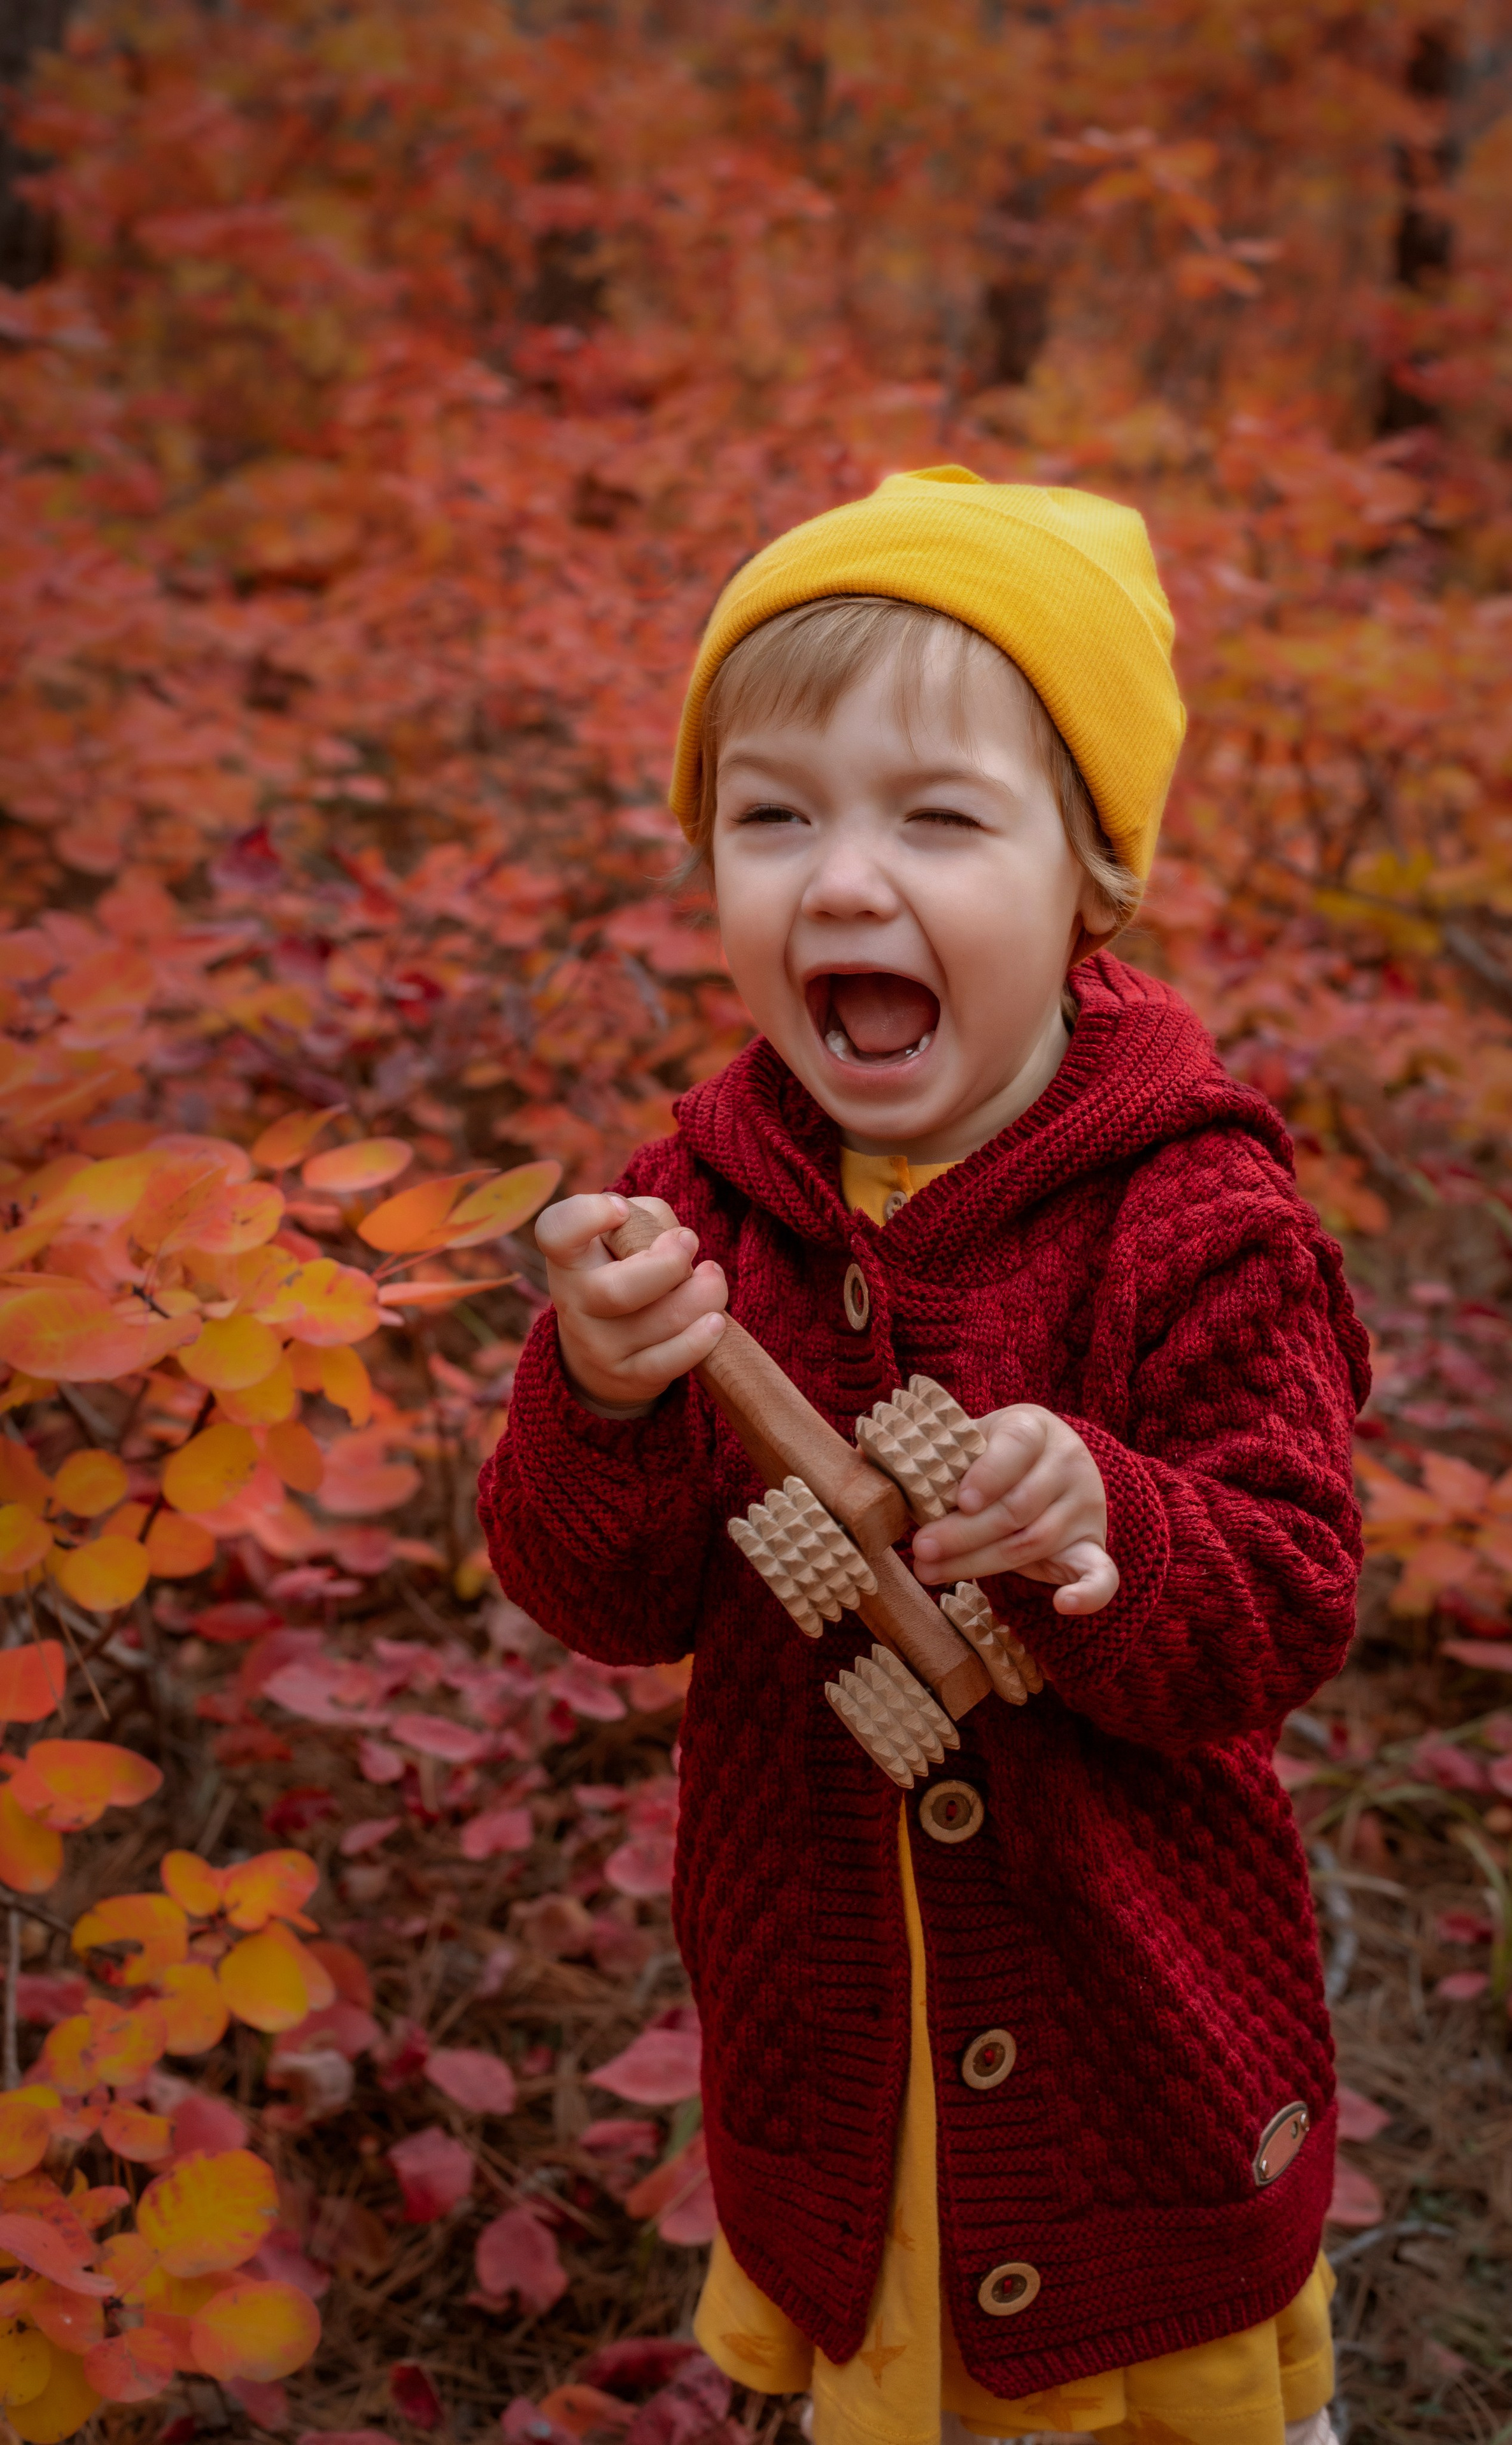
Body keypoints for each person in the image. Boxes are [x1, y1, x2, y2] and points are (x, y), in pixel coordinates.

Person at [479, 467, 1367, 2445]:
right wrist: (605, 1391)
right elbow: (595, 1596)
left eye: (939, 822)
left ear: (1090, 882)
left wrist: (1112, 1516)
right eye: (775, 819)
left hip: (1137, 2053)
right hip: (841, 2058)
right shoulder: (699, 1201)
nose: (845, 883)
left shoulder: (1194, 1214)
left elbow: (1289, 1600)